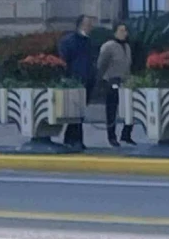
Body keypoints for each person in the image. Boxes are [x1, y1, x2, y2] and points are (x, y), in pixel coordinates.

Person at [58, 15, 96, 149]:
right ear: (81, 25)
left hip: (86, 80)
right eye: (88, 23)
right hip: (75, 80)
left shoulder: (88, 41)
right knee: (75, 111)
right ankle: (74, 139)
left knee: (79, 112)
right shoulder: (70, 41)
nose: (91, 26)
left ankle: (72, 138)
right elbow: (64, 60)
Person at [97, 22, 135, 147]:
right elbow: (101, 64)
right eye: (121, 30)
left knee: (130, 108)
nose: (124, 33)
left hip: (125, 81)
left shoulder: (127, 47)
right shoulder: (108, 46)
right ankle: (111, 136)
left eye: (125, 30)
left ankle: (126, 134)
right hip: (112, 80)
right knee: (112, 110)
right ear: (115, 32)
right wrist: (103, 80)